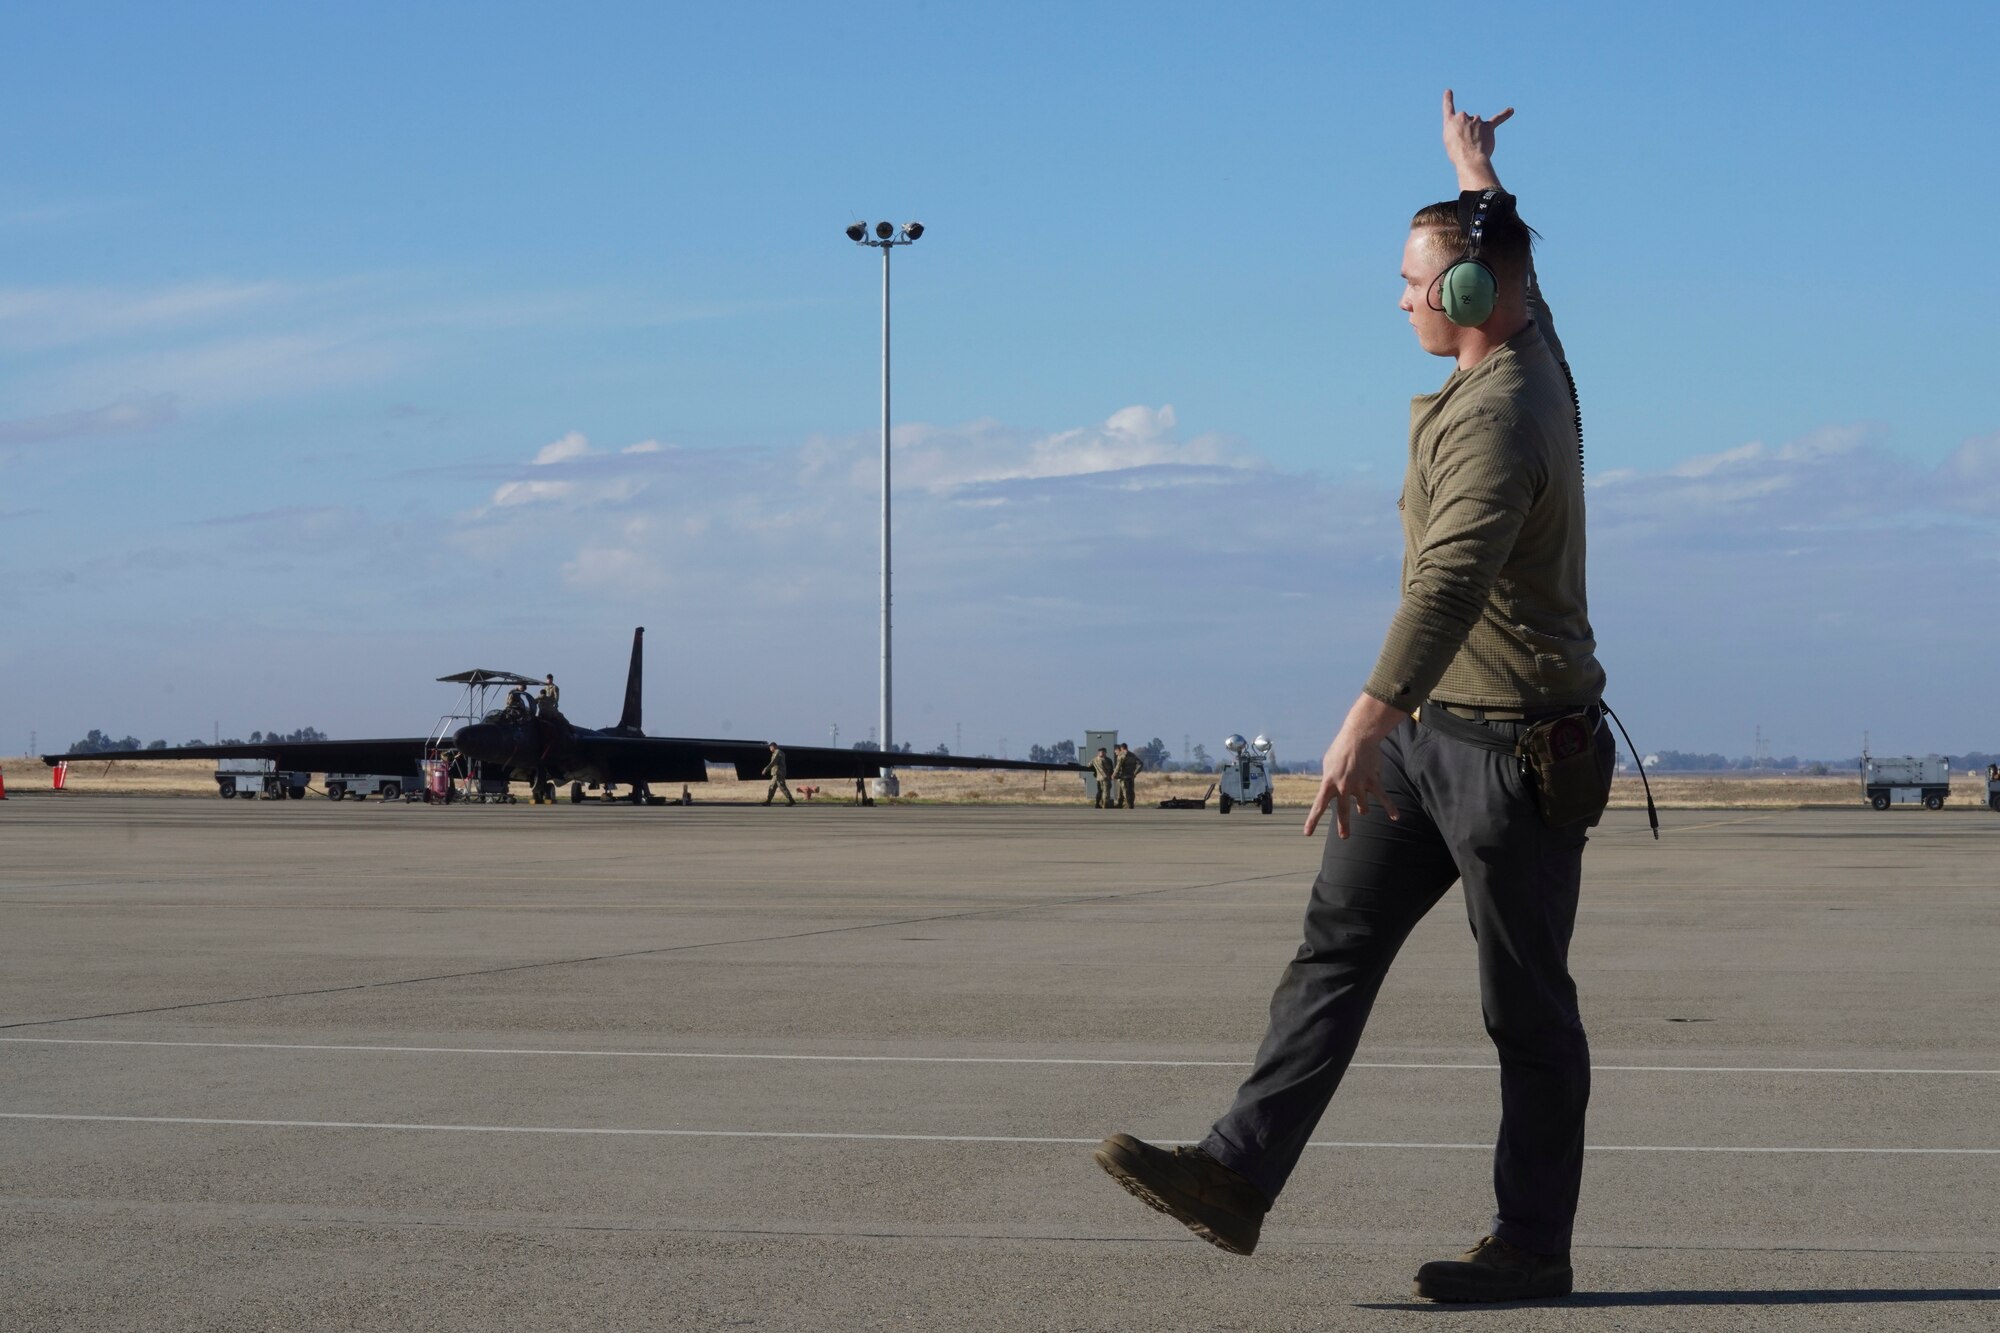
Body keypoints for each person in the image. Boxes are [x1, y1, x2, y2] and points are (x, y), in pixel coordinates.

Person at [1093, 92, 1614, 1305]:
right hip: (1435, 745)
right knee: (1332, 949)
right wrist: (1473, 172)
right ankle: (1233, 1175)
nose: (1399, 300)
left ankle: (1531, 1245)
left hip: (1511, 760)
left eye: (1412, 281)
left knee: (1523, 1008)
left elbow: (1444, 586)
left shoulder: (1505, 414)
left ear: (1472, 297)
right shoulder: (1529, 334)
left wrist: (1361, 717)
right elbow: (1509, 249)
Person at [1111, 742, 1144, 811]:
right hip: (1131, 777)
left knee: (1125, 792)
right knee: (1130, 791)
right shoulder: (1132, 755)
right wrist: (1135, 773)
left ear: (1121, 748)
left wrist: (1114, 774)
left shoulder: (1121, 755)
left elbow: (1118, 766)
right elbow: (1140, 764)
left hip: (1124, 777)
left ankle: (1129, 805)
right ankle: (1123, 804)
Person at [762, 742, 794, 806]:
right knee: (772, 787)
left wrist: (765, 769)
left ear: (773, 747)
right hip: (778, 773)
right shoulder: (781, 752)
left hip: (778, 773)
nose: (770, 749)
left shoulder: (777, 752)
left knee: (782, 787)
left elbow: (773, 762)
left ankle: (791, 800)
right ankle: (768, 801)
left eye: (770, 748)